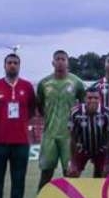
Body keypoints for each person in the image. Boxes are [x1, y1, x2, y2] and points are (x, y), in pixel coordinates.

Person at [0, 53, 36, 198]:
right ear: (4, 65)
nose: (12, 65)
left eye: (15, 63)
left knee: (18, 178)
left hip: (20, 142)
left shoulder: (27, 87)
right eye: (9, 63)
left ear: (19, 66)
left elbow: (30, 111)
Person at [36, 50, 86, 190]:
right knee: (46, 173)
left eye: (63, 59)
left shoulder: (77, 82)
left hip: (69, 136)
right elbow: (40, 106)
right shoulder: (44, 83)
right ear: (52, 62)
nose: (60, 62)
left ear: (67, 62)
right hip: (49, 135)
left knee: (71, 173)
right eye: (57, 59)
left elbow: (84, 105)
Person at [66, 88, 109, 178]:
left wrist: (108, 161)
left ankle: (98, 191)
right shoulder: (75, 112)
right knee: (72, 174)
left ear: (100, 99)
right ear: (84, 99)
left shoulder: (107, 113)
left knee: (107, 174)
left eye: (96, 98)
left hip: (101, 149)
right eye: (90, 98)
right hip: (81, 149)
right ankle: (72, 191)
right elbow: (72, 137)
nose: (93, 100)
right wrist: (73, 162)